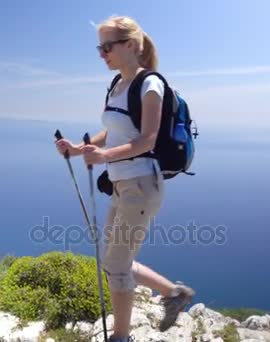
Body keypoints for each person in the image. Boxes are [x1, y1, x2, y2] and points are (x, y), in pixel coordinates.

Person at [55, 15, 195, 342]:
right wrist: (80, 148)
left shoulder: (150, 85)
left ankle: (120, 337)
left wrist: (102, 157)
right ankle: (174, 294)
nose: (102, 54)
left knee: (116, 265)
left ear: (130, 45)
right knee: (114, 259)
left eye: (107, 47)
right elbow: (114, 131)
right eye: (99, 48)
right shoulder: (118, 84)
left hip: (142, 186)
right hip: (122, 184)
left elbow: (147, 138)